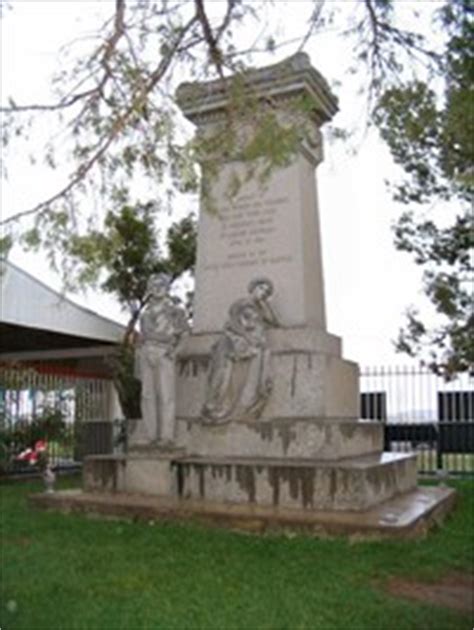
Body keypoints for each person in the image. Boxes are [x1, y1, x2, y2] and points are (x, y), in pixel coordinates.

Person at [202, 277, 280, 423]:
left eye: (266, 291)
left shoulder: (260, 308)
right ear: (253, 288)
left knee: (247, 382)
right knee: (227, 380)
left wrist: (264, 303)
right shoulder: (241, 304)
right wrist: (246, 339)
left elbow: (273, 321)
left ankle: (241, 409)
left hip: (253, 348)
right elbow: (232, 323)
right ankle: (220, 408)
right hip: (237, 347)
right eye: (261, 288)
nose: (263, 292)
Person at [136, 273, 189, 444]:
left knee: (166, 395)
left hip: (165, 351)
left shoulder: (176, 311)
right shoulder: (145, 314)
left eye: (161, 285)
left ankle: (166, 436)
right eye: (154, 285)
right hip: (147, 352)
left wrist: (175, 352)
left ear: (167, 288)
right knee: (147, 395)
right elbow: (142, 336)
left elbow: (185, 334)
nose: (157, 288)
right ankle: (149, 435)